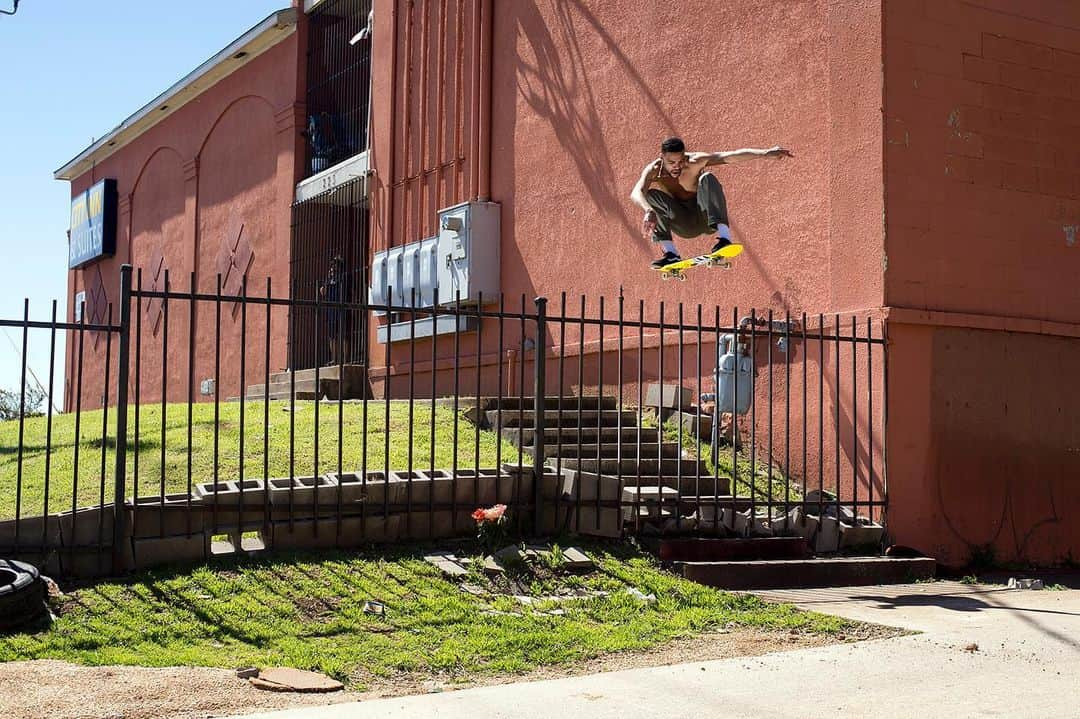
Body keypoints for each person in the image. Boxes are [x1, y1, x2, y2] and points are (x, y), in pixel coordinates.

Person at [629, 137, 793, 268]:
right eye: (671, 163)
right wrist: (648, 211)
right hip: (684, 224)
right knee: (650, 195)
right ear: (662, 158)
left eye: (680, 161)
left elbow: (729, 156)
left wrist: (765, 153)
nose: (677, 167)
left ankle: (724, 239)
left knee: (707, 178)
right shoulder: (653, 170)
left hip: (705, 217)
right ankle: (671, 254)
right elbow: (636, 192)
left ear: (685, 156)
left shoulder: (695, 161)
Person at [319, 255, 346, 365]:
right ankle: (334, 359)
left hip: (342, 307)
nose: (333, 267)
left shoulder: (343, 277)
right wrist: (326, 282)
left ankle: (344, 359)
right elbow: (322, 292)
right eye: (332, 265)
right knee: (332, 335)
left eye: (335, 265)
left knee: (343, 334)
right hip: (331, 308)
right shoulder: (329, 279)